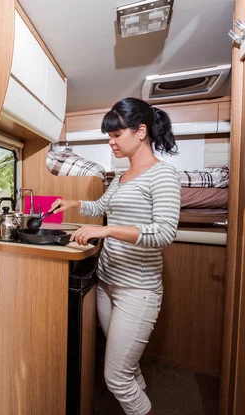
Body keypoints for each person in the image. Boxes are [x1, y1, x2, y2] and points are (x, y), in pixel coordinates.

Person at [50, 97, 181, 415]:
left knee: (116, 377)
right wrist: (74, 204)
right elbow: (102, 208)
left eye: (115, 135)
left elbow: (164, 233)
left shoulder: (162, 175)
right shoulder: (122, 177)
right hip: (108, 284)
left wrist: (107, 232)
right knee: (128, 365)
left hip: (138, 290)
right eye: (108, 136)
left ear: (140, 131)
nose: (110, 143)